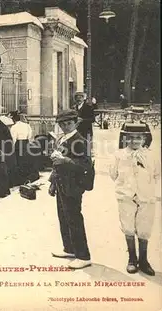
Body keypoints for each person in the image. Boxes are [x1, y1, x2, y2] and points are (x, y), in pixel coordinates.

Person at [109, 126, 159, 276]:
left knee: (144, 227)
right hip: (126, 196)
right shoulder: (119, 155)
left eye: (138, 137)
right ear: (125, 139)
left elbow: (156, 174)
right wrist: (126, 187)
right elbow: (113, 174)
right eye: (130, 137)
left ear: (145, 139)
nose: (134, 141)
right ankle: (132, 259)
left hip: (146, 197)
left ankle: (144, 260)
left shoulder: (152, 156)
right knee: (128, 226)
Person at [48, 109, 93, 269]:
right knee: (64, 217)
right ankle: (70, 248)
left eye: (69, 123)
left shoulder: (80, 140)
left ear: (76, 122)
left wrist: (65, 160)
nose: (66, 126)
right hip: (61, 183)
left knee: (73, 218)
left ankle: (83, 255)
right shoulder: (62, 139)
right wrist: (53, 182)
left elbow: (85, 165)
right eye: (62, 124)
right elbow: (56, 163)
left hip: (73, 185)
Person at [9, 111, 40, 185]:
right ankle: (29, 178)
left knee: (20, 162)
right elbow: (30, 136)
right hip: (26, 143)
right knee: (27, 160)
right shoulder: (27, 125)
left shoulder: (14, 127)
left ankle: (22, 180)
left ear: (13, 120)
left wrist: (12, 148)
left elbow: (13, 139)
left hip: (18, 145)